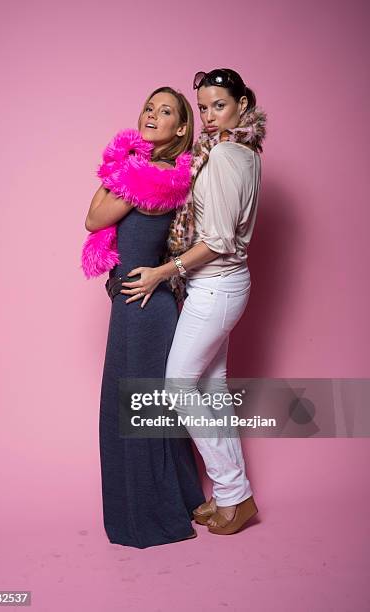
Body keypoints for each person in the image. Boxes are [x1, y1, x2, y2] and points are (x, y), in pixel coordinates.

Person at [121, 69, 267, 535]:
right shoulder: (244, 151)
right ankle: (234, 496)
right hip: (226, 287)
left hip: (216, 286)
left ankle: (231, 492)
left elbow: (219, 240)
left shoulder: (223, 154)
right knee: (211, 390)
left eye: (218, 106)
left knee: (181, 389)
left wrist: (164, 271)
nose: (207, 116)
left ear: (243, 104)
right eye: (201, 107)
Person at [84, 86, 206, 548]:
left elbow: (96, 220)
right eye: (149, 108)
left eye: (167, 112)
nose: (154, 115)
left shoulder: (154, 175)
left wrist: (120, 168)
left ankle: (153, 513)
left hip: (144, 308)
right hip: (131, 305)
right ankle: (174, 500)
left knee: (139, 410)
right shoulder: (137, 168)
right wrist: (121, 164)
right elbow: (92, 213)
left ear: (180, 128)